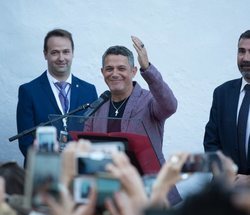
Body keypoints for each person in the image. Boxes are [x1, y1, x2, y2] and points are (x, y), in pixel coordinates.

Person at [85, 36, 177, 167]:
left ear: (134, 71)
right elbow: (87, 147)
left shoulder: (149, 100)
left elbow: (170, 106)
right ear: (102, 72)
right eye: (109, 69)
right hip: (108, 182)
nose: (115, 74)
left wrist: (148, 69)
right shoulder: (98, 106)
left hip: (148, 183)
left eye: (121, 68)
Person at [16, 29, 98, 159]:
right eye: (54, 52)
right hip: (43, 172)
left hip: (80, 170)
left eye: (66, 52)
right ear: (45, 54)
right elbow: (26, 142)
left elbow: (94, 135)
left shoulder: (89, 90)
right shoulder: (28, 91)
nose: (61, 58)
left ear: (72, 53)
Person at [204, 30, 250, 181]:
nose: (246, 58)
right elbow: (211, 143)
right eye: (241, 51)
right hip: (225, 191)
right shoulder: (222, 93)